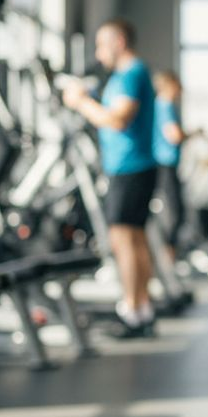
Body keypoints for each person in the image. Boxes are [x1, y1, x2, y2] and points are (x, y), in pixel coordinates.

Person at [62, 19, 159, 338]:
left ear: (119, 41)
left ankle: (132, 310)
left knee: (124, 239)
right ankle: (142, 307)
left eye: (102, 45)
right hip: (127, 166)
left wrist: (81, 103)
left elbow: (117, 120)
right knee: (134, 238)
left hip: (131, 166)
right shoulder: (120, 77)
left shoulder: (132, 73)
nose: (98, 52)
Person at [151, 70, 188, 264]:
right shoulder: (164, 105)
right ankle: (166, 260)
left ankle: (168, 258)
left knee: (175, 213)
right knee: (172, 214)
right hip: (163, 166)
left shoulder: (163, 106)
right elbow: (173, 135)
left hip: (168, 165)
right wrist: (191, 134)